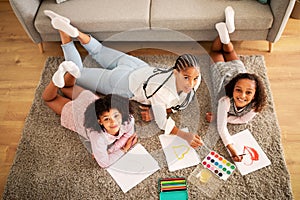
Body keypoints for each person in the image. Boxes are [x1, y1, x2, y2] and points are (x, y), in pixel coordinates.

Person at [43, 10, 203, 148]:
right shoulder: (163, 93)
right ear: (175, 73)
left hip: (137, 66)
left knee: (99, 50)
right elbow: (163, 123)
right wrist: (185, 135)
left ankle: (75, 32)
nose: (191, 83)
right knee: (79, 72)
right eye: (187, 78)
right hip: (122, 83)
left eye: (195, 78)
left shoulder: (190, 78)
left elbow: (176, 104)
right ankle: (65, 35)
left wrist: (160, 110)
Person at [42, 62, 138, 168]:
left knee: (66, 88)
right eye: (107, 119)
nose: (113, 122)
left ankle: (73, 72)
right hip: (76, 114)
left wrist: (111, 150)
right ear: (99, 121)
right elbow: (104, 163)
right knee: (49, 99)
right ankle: (55, 81)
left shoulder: (128, 120)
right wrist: (123, 149)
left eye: (116, 116)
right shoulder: (98, 137)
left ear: (122, 113)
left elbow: (129, 134)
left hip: (91, 101)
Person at [206, 6, 267, 162]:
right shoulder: (225, 100)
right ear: (233, 88)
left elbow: (242, 120)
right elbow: (222, 127)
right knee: (217, 52)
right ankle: (227, 34)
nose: (242, 96)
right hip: (225, 75)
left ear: (255, 95)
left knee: (219, 52)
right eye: (239, 90)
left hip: (240, 73)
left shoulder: (255, 105)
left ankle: (227, 34)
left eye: (248, 93)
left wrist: (223, 118)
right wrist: (232, 149)